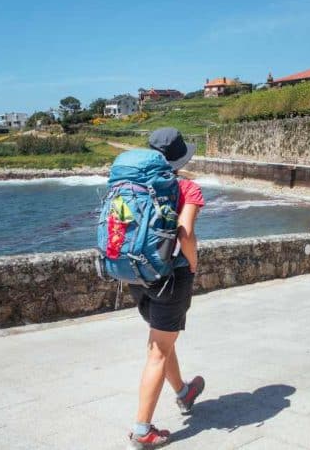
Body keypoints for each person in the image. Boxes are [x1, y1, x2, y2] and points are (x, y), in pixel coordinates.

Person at [128, 127, 206, 449]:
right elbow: (185, 233)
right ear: (179, 158)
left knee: (161, 339)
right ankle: (142, 431)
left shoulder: (135, 185)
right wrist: (193, 263)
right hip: (169, 278)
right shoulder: (187, 187)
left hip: (135, 275)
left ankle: (184, 392)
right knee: (158, 350)